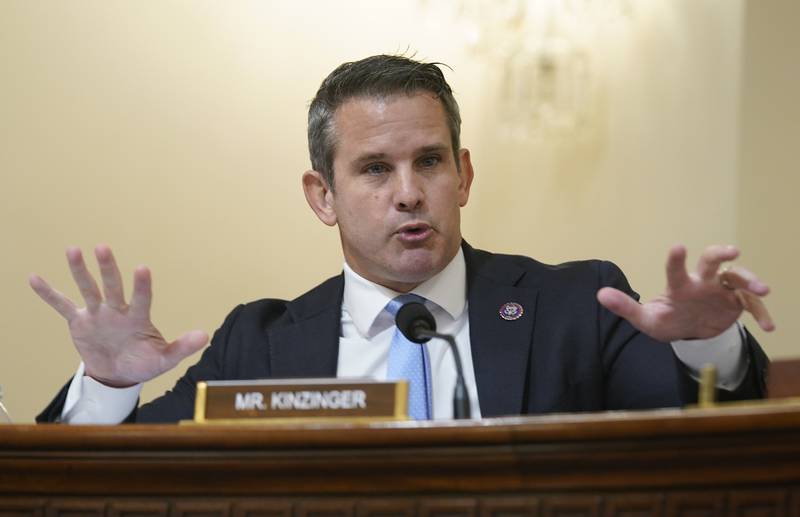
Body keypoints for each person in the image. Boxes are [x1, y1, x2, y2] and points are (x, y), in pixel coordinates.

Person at [33, 55, 774, 424]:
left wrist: (707, 344)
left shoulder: (578, 302)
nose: (409, 192)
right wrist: (109, 386)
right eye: (375, 169)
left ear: (465, 173)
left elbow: (694, 435)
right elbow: (127, 484)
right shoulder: (257, 343)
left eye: (429, 160)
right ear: (322, 196)